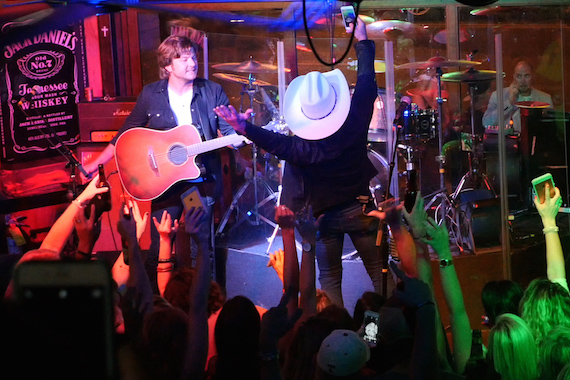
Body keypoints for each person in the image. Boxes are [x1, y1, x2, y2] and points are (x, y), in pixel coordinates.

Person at [214, 17, 382, 307]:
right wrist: (362, 40)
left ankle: (336, 337)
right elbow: (367, 82)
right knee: (380, 280)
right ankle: (373, 337)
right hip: (360, 207)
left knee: (330, 280)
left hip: (321, 218)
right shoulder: (355, 120)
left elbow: (275, 143)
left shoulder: (299, 148)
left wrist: (245, 128)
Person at [82, 34, 237, 294]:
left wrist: (240, 135)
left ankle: (207, 305)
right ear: (167, 66)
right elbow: (125, 134)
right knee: (158, 244)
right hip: (164, 184)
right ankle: (157, 305)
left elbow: (229, 132)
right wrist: (95, 164)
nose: (192, 62)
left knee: (202, 245)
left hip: (198, 184)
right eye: (183, 57)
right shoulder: (151, 95)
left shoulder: (212, 92)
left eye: (194, 56)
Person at [482, 61, 553, 133]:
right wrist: (509, 103)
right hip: (507, 142)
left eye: (527, 76)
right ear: (514, 77)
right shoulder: (498, 96)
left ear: (533, 77)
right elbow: (487, 123)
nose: (523, 81)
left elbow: (550, 131)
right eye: (519, 76)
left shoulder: (545, 98)